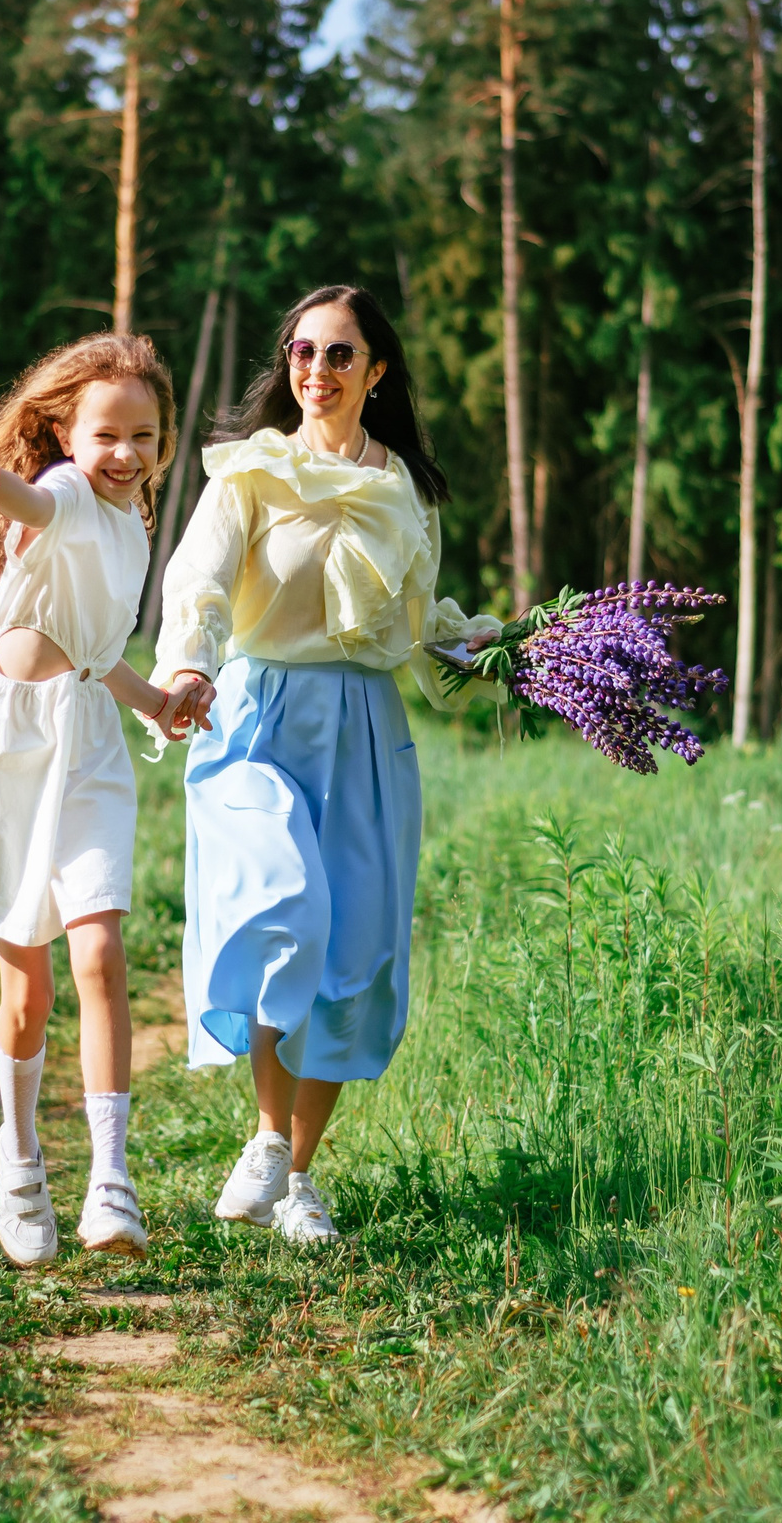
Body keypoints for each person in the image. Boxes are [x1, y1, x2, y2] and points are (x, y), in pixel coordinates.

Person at [153, 285, 502, 1243]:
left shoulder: (405, 489)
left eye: (340, 354)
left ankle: (296, 1175)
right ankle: (268, 1136)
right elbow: (200, 580)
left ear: (376, 370)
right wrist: (189, 662)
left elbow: (419, 621)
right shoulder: (252, 472)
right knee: (283, 910)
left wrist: (492, 650)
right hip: (258, 718)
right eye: (302, 351)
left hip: (363, 731)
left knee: (349, 954)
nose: (316, 370)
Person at [0, 333, 189, 1266]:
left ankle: (111, 1179)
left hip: (90, 743)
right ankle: (18, 1154)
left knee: (100, 950)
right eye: (107, 434)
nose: (126, 454)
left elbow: (96, 652)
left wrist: (154, 702)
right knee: (27, 988)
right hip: (13, 748)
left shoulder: (135, 523)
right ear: (66, 434)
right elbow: (29, 500)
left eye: (145, 436)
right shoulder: (62, 491)